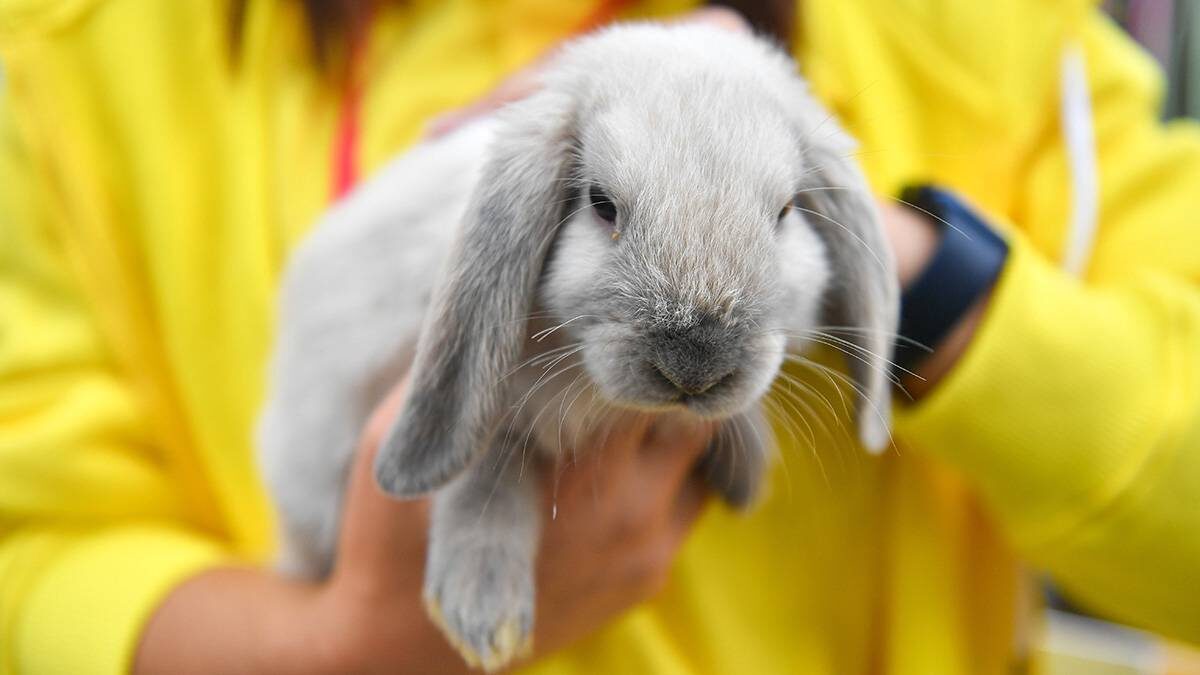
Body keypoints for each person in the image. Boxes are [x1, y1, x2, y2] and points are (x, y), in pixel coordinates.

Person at [1, 1, 1197, 673]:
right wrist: (348, 647)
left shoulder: (983, 36)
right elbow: (34, 542)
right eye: (601, 209)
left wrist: (916, 275)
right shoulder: (78, 53)